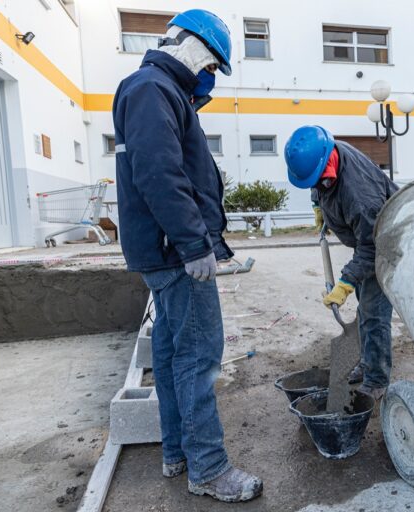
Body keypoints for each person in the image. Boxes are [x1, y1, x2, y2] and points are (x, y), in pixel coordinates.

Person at [112, 9, 262, 503]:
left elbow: (167, 171)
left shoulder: (151, 89)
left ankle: (177, 452)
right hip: (175, 251)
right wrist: (195, 245)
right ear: (196, 50)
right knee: (199, 356)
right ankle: (209, 468)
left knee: (173, 351)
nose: (210, 77)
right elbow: (161, 176)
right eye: (213, 66)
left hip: (161, 249)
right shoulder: (154, 90)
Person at [285, 126, 398, 399]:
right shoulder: (328, 152)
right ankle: (367, 361)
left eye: (319, 180)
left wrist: (346, 282)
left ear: (327, 162)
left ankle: (377, 379)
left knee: (373, 313)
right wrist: (318, 205)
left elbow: (371, 247)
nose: (318, 184)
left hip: (386, 243)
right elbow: (317, 183)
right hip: (367, 239)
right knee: (366, 308)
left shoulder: (360, 196)